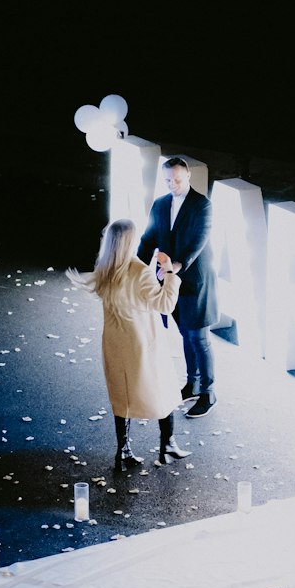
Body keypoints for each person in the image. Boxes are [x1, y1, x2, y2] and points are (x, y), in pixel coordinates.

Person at [67, 219, 192, 468]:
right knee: (163, 390)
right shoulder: (139, 271)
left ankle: (123, 450)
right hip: (143, 342)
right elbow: (165, 305)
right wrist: (168, 272)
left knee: (121, 394)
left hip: (115, 341)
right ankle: (167, 446)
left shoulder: (106, 270)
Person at [137, 155, 220, 417]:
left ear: (188, 177)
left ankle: (208, 392)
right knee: (185, 332)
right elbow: (149, 237)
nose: (172, 184)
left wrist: (177, 266)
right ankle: (192, 383)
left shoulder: (202, 205)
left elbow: (198, 241)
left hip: (195, 281)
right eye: (167, 180)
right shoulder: (160, 204)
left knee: (199, 337)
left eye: (177, 179)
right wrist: (134, 269)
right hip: (170, 281)